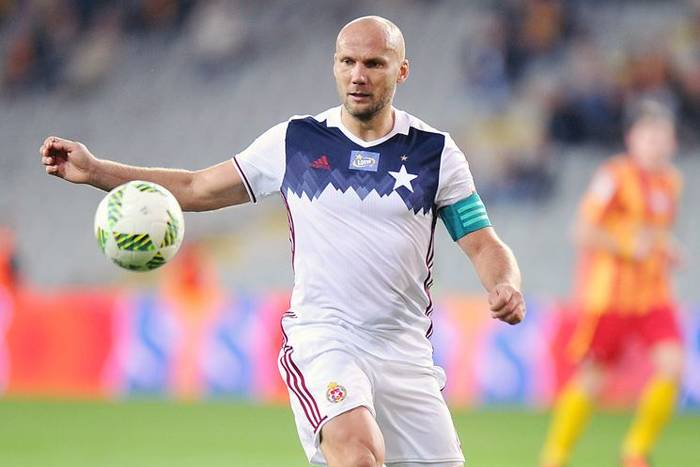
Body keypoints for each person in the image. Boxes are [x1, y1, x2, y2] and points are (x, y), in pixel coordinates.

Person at [40, 16, 525, 467]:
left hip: (406, 354)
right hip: (325, 340)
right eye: (347, 61)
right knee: (359, 455)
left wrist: (504, 284)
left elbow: (483, 243)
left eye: (374, 63)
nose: (358, 75)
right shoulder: (296, 142)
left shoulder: (435, 153)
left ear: (401, 71)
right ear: (334, 66)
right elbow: (196, 187)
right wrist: (96, 171)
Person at [539, 100, 684, 467]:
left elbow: (652, 233)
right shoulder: (614, 177)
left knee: (673, 365)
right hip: (610, 298)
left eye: (662, 136)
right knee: (593, 379)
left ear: (672, 142)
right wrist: (626, 245)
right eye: (648, 136)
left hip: (653, 295)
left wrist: (665, 248)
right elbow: (582, 231)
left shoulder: (671, 182)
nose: (655, 144)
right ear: (631, 139)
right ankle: (555, 455)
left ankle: (635, 452)